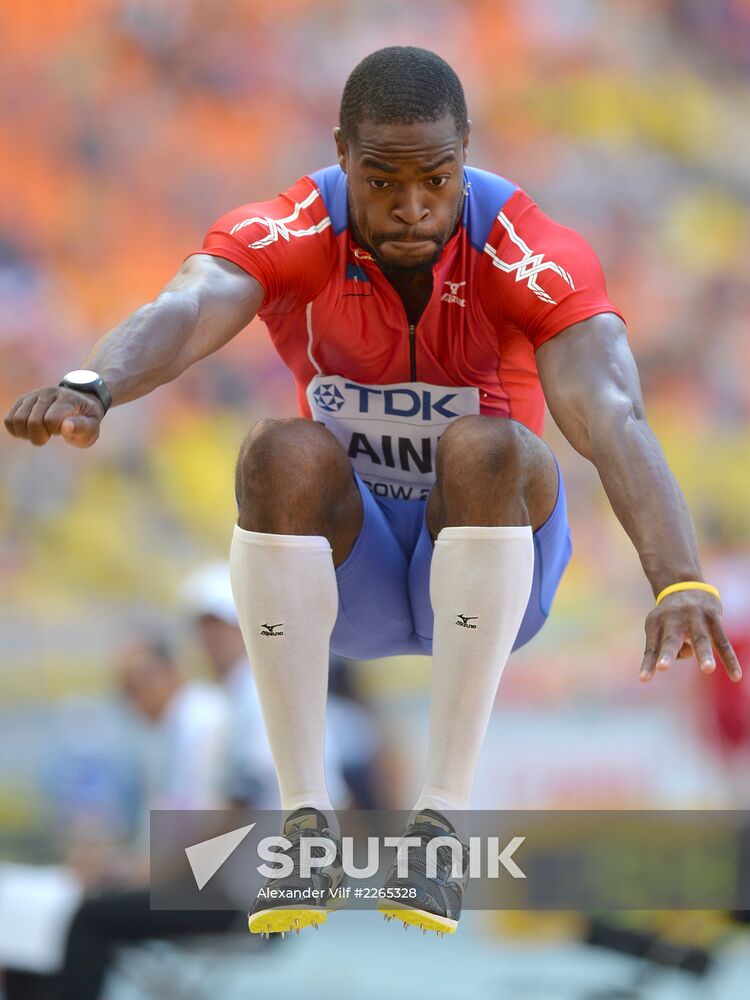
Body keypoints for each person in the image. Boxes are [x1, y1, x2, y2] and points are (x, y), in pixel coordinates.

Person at [4, 46, 742, 938]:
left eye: (436, 179)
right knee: (277, 449)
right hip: (350, 572)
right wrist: (94, 383)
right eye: (382, 181)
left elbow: (613, 414)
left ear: (466, 154)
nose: (412, 207)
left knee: (487, 445)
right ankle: (304, 825)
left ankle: (439, 827)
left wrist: (678, 576)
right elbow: (191, 305)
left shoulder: (530, 252)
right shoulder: (295, 227)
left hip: (489, 561)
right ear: (341, 155)